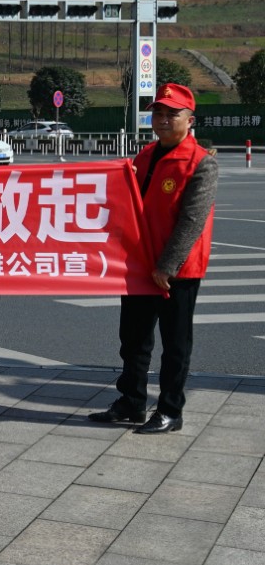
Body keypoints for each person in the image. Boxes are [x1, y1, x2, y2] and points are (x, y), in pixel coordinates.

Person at [89, 83, 217, 435]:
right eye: (158, 113)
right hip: (139, 265)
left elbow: (192, 221)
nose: (162, 119)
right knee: (133, 339)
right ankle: (131, 401)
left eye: (171, 114)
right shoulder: (144, 156)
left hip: (177, 271)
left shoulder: (201, 163)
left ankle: (170, 410)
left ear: (190, 120)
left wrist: (167, 266)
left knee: (175, 344)